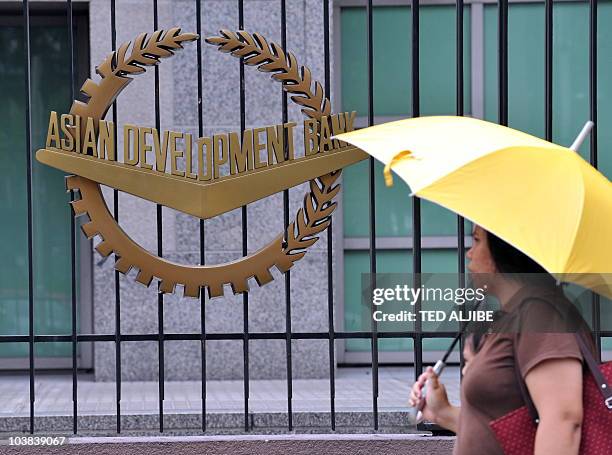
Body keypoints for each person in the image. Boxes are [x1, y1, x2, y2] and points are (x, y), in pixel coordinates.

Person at [409, 225, 595, 455]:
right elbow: (502, 430)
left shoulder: (542, 315)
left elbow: (563, 420)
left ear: (505, 249)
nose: (469, 252)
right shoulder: (516, 315)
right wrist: (442, 412)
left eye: (477, 241)